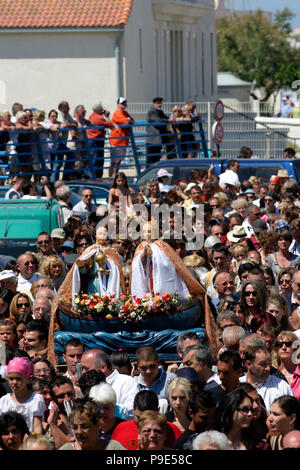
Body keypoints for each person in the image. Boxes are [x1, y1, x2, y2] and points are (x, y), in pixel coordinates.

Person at [107, 390, 182, 450]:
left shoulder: (173, 430)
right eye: (139, 417)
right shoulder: (121, 429)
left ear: (158, 410)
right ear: (133, 408)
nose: (152, 435)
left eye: (157, 431)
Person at [80, 348, 138, 420]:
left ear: (103, 367)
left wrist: (106, 407)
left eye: (86, 368)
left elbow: (132, 412)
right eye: (82, 368)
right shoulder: (83, 385)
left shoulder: (127, 382)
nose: (83, 372)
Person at [239, 344, 294, 412]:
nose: (268, 368)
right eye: (263, 364)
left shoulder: (282, 387)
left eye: (269, 364)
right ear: (248, 364)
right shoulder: (236, 385)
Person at [0, 357, 45, 434]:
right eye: (11, 379)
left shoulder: (36, 400)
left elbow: (37, 429)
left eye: (18, 379)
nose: (14, 382)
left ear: (27, 378)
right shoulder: (4, 401)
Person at [86, 102, 116, 178]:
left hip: (93, 141)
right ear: (99, 109)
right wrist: (107, 116)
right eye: (101, 108)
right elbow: (111, 126)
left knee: (94, 160)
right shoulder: (99, 118)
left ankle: (93, 176)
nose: (103, 110)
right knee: (97, 161)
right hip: (96, 142)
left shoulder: (92, 116)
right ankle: (95, 178)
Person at [109, 97, 135, 178]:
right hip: (116, 141)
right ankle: (111, 177)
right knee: (113, 161)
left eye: (125, 103)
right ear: (118, 104)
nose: (124, 104)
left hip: (123, 141)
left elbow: (132, 120)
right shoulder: (117, 113)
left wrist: (128, 120)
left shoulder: (125, 112)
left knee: (119, 161)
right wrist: (128, 120)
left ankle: (115, 175)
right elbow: (126, 121)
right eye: (122, 103)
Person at [146, 97, 171, 167]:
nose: (159, 104)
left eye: (160, 103)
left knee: (156, 160)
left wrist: (171, 119)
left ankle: (154, 176)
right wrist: (168, 120)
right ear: (153, 104)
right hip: (152, 140)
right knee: (150, 160)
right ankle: (147, 176)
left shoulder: (160, 112)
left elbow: (166, 118)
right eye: (157, 103)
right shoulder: (152, 112)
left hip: (157, 141)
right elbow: (158, 120)